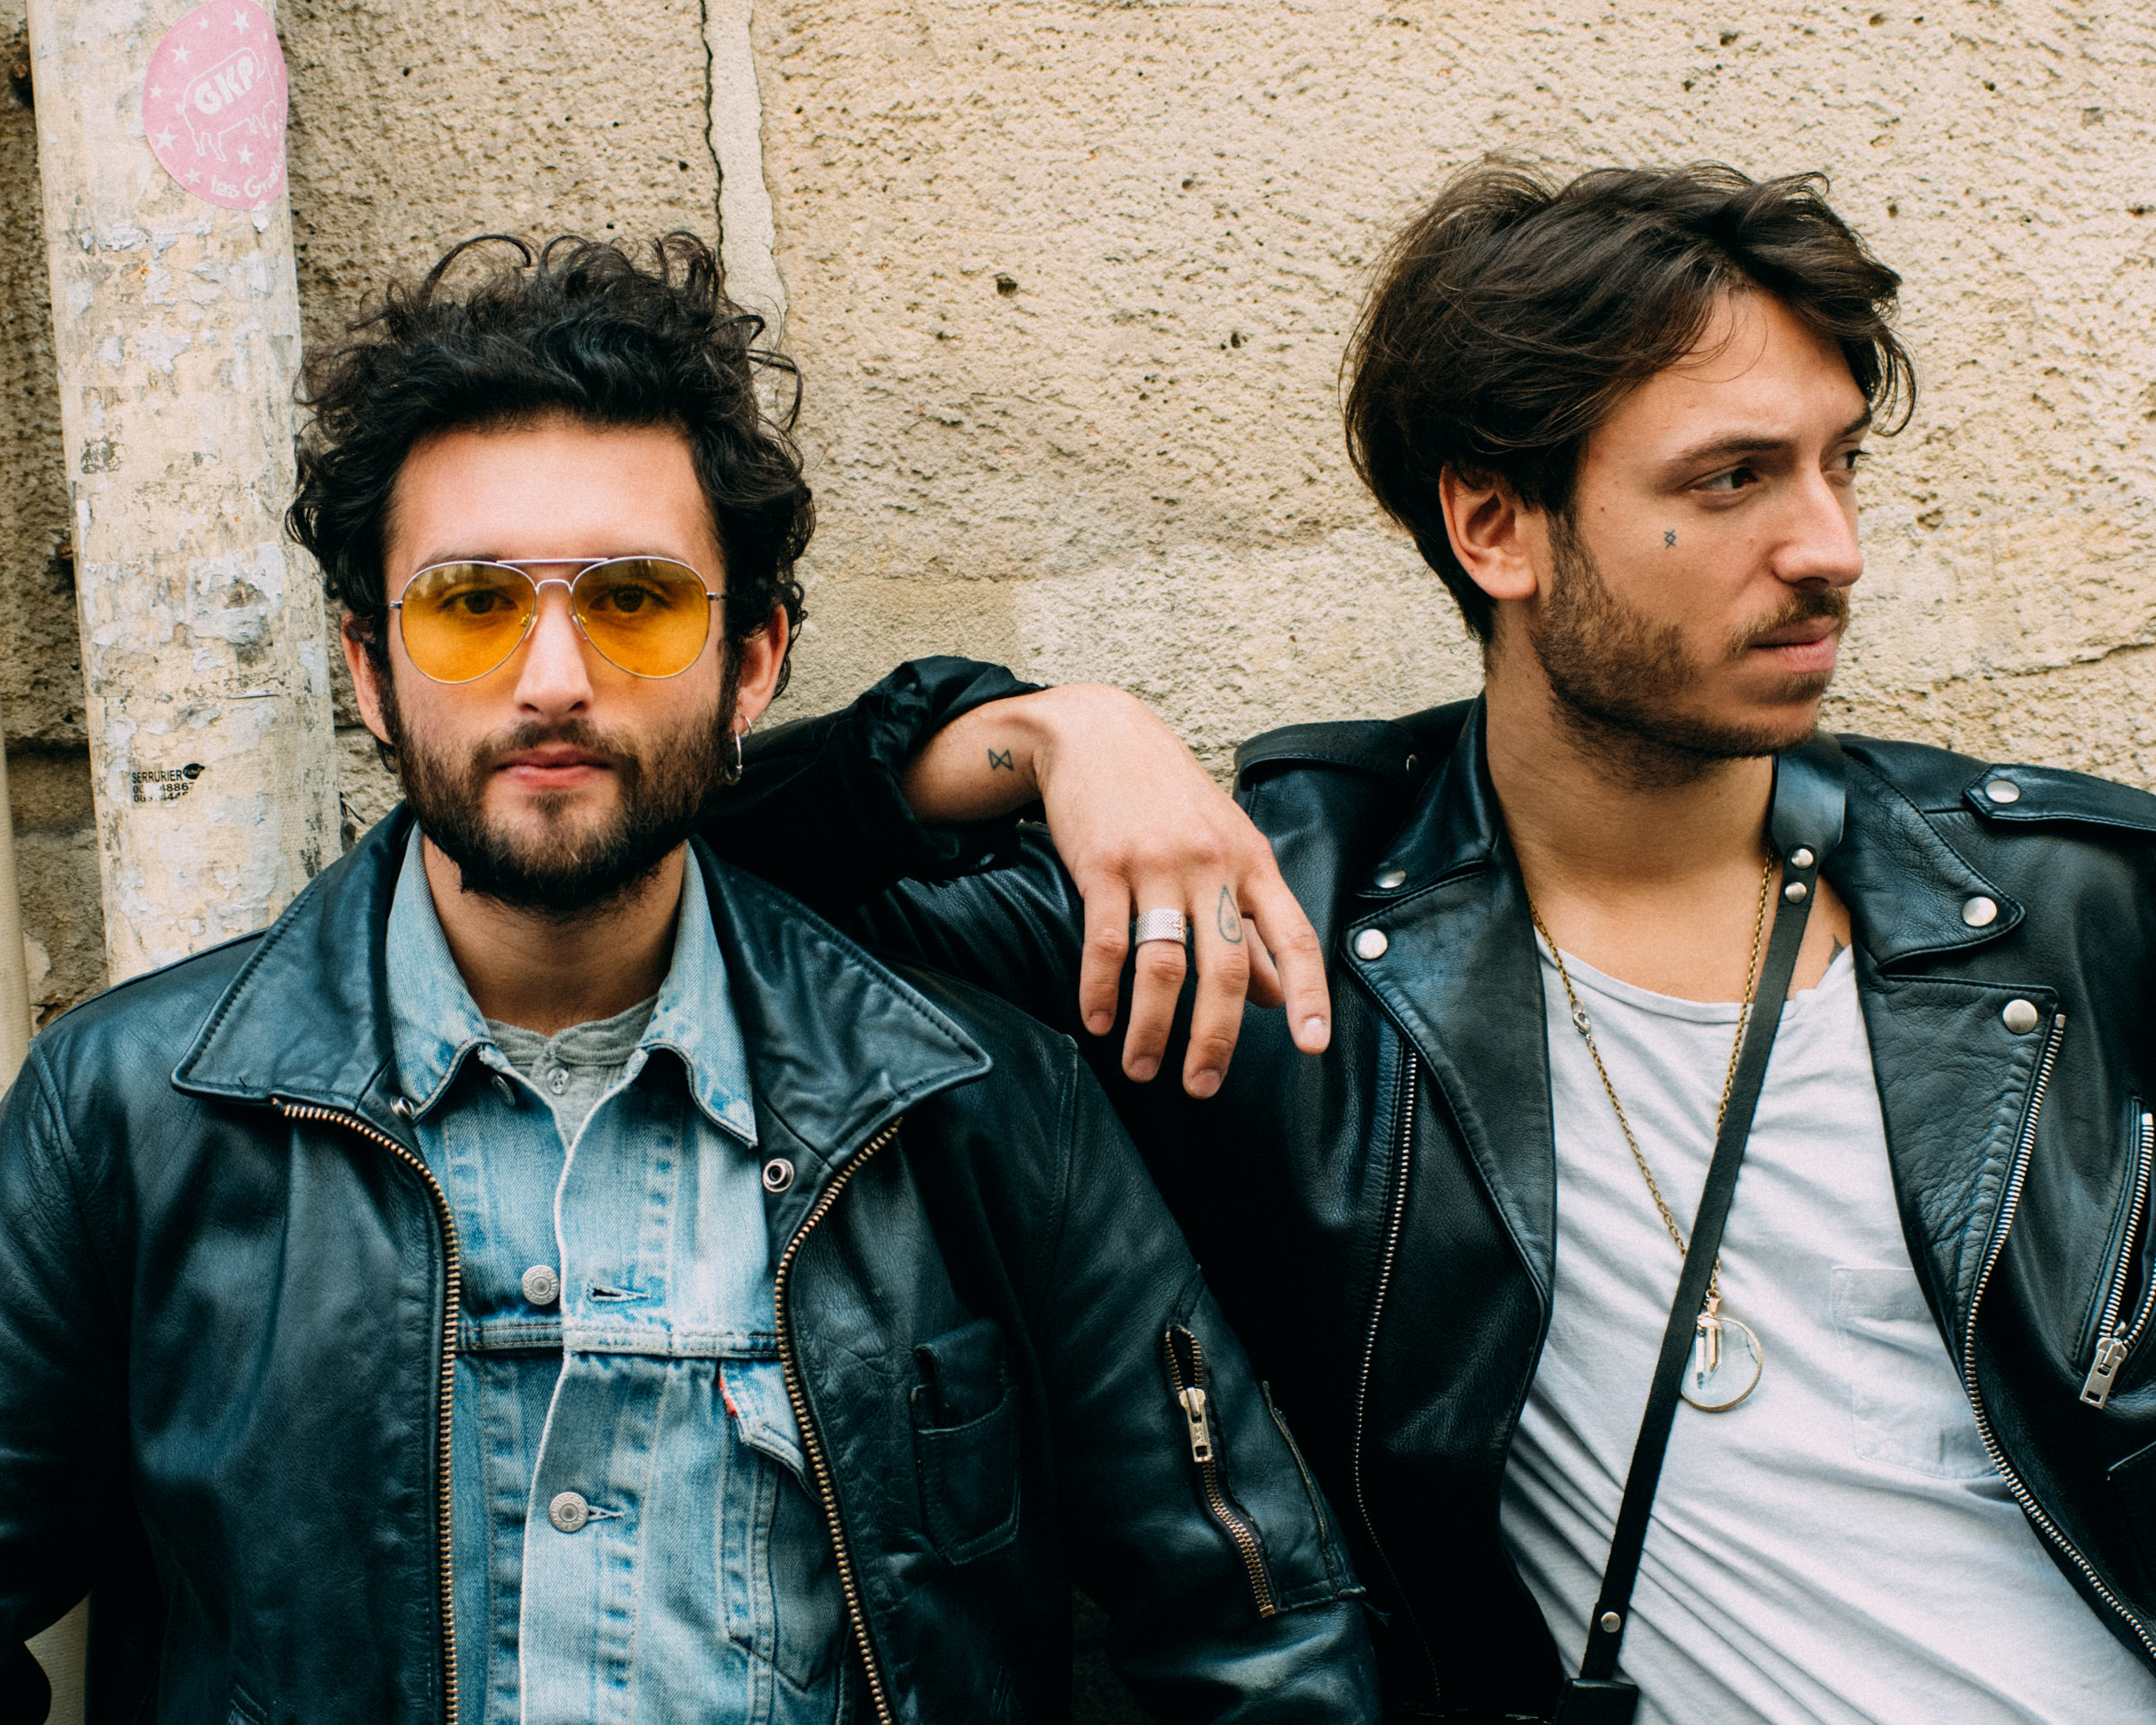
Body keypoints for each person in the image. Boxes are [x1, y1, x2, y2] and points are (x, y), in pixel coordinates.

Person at [719, 166, 2156, 1722]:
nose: (1831, 547)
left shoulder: (2072, 907)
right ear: (1494, 525)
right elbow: (681, 861)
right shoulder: (1276, 944)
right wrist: (1045, 732)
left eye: (1840, 464)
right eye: (1735, 477)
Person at [0, 234, 1379, 1724]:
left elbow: (1262, 1647)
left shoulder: (973, 1109)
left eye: (635, 601)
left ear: (754, 662)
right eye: (470, 604)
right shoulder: (130, 1111)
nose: (552, 679)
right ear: (368, 670)